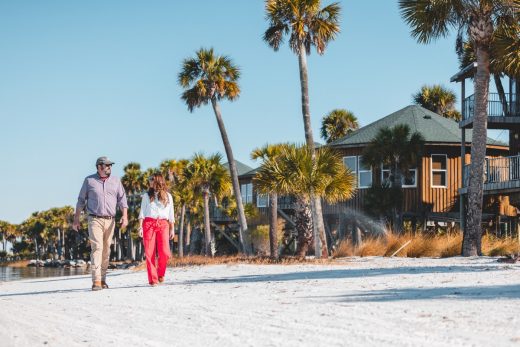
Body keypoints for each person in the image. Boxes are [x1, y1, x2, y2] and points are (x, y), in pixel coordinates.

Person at [72, 156, 128, 291]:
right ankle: (96, 281)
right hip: (94, 219)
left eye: (110, 165)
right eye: (106, 165)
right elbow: (81, 200)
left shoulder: (116, 181)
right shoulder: (89, 180)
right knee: (97, 248)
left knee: (106, 250)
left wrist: (125, 216)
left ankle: (103, 279)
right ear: (99, 167)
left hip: (111, 220)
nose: (109, 168)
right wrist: (76, 219)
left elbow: (122, 200)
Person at [138, 172, 174, 286]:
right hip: (149, 224)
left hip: (163, 224)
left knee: (165, 253)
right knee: (149, 253)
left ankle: (160, 273)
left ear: (158, 180)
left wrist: (172, 229)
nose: (150, 181)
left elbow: (171, 214)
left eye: (152, 179)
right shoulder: (146, 196)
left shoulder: (168, 196)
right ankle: (153, 280)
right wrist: (140, 227)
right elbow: (142, 212)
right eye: (149, 179)